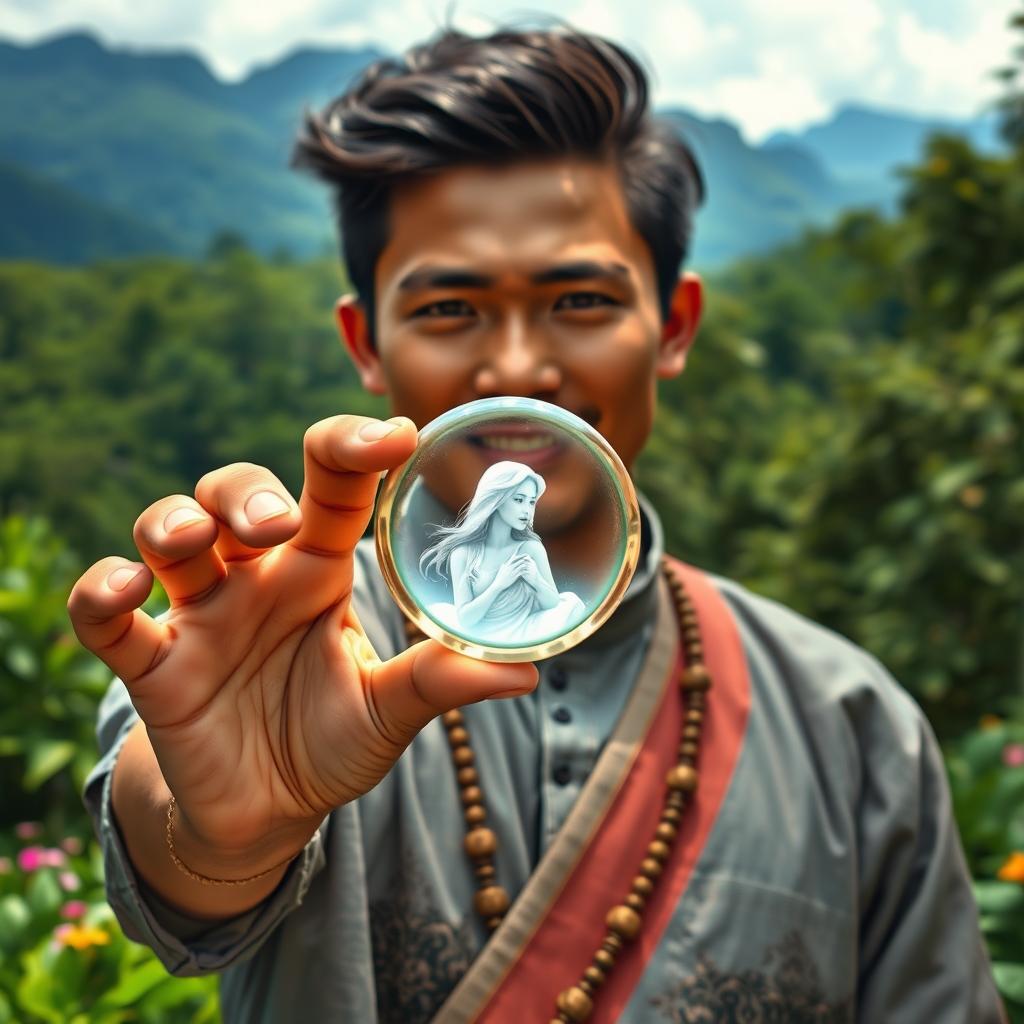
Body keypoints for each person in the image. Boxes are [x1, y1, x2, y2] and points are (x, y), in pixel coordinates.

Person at [68, 22, 1005, 1024]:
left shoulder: (851, 729)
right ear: (366, 343)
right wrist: (223, 837)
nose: (517, 367)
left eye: (579, 298)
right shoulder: (275, 651)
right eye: (448, 311)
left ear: (674, 323)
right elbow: (185, 849)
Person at [420, 460, 585, 643]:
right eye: (519, 500)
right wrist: (500, 584)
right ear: (497, 499)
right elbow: (465, 619)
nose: (527, 510)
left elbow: (553, 603)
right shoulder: (463, 553)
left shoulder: (531, 548)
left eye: (532, 502)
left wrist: (535, 580)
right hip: (477, 638)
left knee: (571, 605)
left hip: (524, 633)